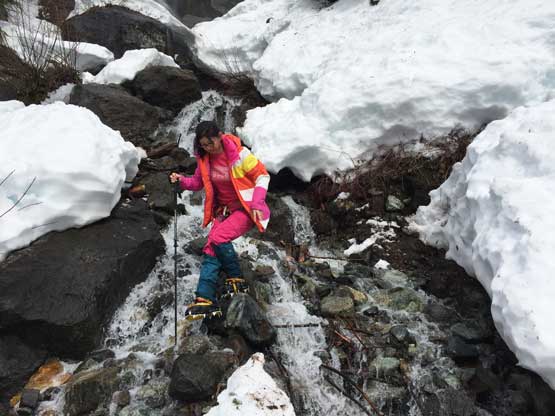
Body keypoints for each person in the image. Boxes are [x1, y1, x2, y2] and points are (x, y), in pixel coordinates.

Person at [169, 121, 271, 320]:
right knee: (210, 248)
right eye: (203, 145)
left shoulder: (240, 154)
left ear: (220, 136)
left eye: (211, 143)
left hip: (246, 209)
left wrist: (257, 201)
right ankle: (204, 299)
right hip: (223, 211)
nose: (208, 148)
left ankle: (236, 278)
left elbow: (262, 176)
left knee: (218, 238)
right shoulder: (204, 159)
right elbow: (197, 182)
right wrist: (181, 180)